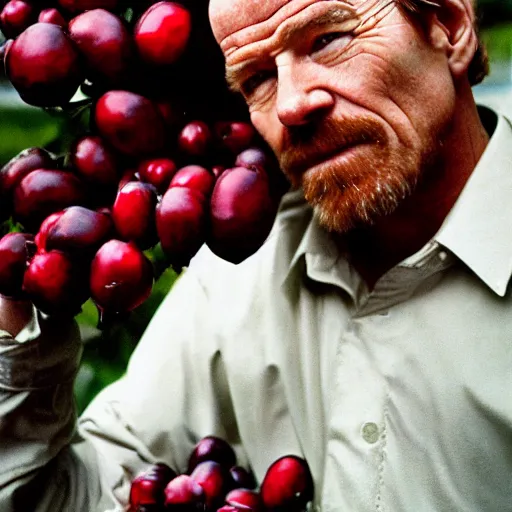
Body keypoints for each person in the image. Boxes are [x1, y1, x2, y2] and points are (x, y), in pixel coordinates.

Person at [0, 0, 511, 510]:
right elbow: (65, 498)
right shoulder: (234, 282)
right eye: (256, 78)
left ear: (449, 24)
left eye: (328, 40)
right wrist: (18, 317)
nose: (290, 105)